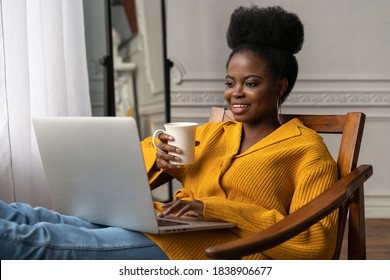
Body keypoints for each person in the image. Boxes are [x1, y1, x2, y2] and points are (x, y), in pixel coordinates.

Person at [0, 5, 338, 260]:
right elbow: (131, 164)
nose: (235, 93)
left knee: (37, 241)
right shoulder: (215, 133)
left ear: (280, 86)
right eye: (230, 83)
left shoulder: (307, 151)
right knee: (22, 214)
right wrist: (159, 159)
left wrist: (214, 209)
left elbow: (317, 243)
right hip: (162, 225)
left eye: (250, 83)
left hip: (210, 252)